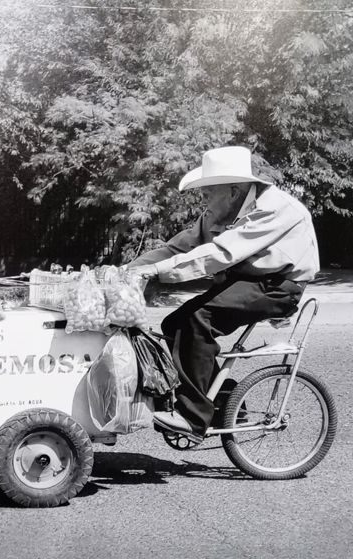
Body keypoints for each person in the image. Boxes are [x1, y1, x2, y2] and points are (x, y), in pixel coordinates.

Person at [128, 146, 320, 442]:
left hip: (277, 286)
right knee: (172, 325)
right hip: (244, 281)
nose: (202, 199)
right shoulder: (220, 212)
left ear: (233, 190)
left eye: (208, 192)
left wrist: (156, 273)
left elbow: (221, 253)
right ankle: (226, 401)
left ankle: (193, 419)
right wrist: (129, 270)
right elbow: (177, 248)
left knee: (197, 319)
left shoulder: (275, 209)